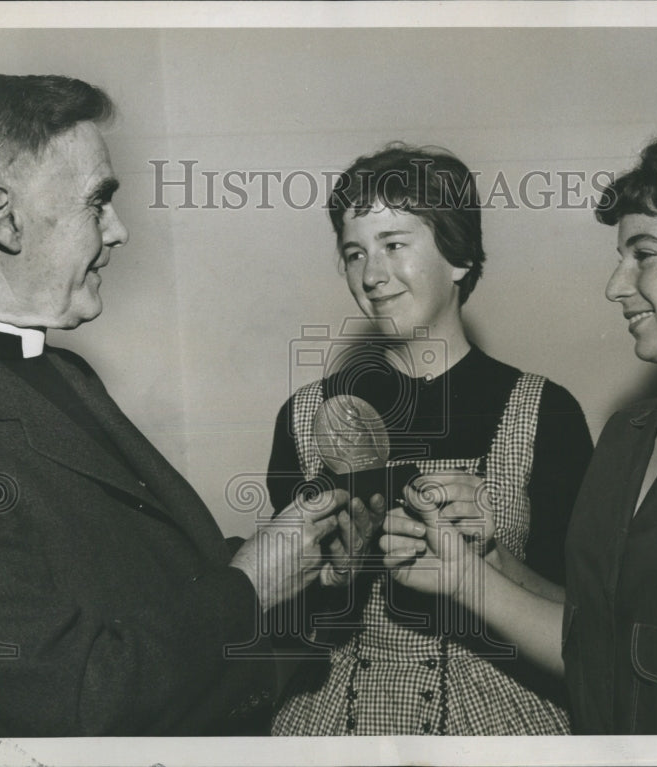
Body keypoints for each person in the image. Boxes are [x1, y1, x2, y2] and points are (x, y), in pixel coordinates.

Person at [0, 74, 348, 737]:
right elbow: (69, 704)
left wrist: (300, 557)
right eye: (97, 202)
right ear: (4, 217)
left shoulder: (58, 367)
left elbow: (142, 579)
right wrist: (250, 586)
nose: (121, 229)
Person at [380, 116, 657, 734]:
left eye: (643, 255)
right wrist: (470, 570)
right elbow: (597, 650)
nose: (614, 285)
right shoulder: (630, 434)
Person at [267, 144, 593, 735]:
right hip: (336, 725)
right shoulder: (307, 415)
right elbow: (280, 620)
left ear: (460, 257)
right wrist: (330, 579)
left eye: (395, 245)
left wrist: (491, 556)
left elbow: (588, 622)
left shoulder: (545, 411)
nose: (371, 275)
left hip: (497, 722)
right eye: (354, 253)